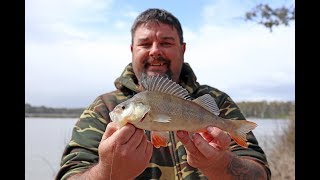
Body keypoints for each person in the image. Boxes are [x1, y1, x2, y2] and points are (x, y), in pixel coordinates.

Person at [55, 8, 271, 180]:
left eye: (166, 42)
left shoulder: (218, 101)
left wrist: (219, 164)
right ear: (132, 50)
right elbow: (69, 173)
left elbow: (259, 173)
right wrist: (107, 172)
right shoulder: (103, 108)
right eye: (145, 43)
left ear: (183, 49)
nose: (155, 51)